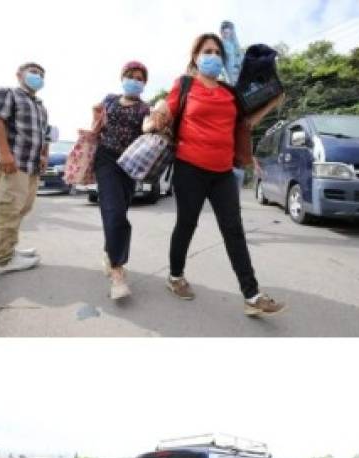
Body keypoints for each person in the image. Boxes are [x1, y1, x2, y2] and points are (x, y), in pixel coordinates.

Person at [145, 33, 284, 316]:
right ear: (196, 56)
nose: (213, 56)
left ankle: (252, 295)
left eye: (218, 52)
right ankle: (175, 276)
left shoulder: (229, 92)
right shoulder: (184, 85)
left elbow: (245, 123)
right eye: (207, 51)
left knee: (234, 230)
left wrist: (272, 103)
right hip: (189, 168)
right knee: (187, 224)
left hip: (222, 172)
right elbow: (164, 113)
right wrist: (152, 118)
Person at [91, 61, 151, 300]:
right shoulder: (109, 100)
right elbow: (97, 127)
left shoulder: (147, 109)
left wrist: (156, 123)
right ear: (122, 77)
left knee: (118, 212)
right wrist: (94, 116)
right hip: (106, 158)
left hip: (130, 164)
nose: (135, 80)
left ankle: (109, 252)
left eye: (140, 78)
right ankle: (117, 271)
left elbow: (149, 130)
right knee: (114, 212)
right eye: (131, 76)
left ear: (144, 83)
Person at [0, 62, 48, 274]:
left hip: (30, 166)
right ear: (19, 74)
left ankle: (9, 249)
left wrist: (43, 155)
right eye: (33, 72)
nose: (38, 76)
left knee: (21, 208)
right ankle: (3, 259)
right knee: (7, 209)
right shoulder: (6, 93)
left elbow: (44, 134)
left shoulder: (40, 105)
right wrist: (4, 153)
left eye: (41, 74)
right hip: (10, 164)